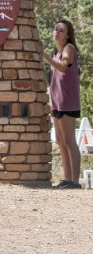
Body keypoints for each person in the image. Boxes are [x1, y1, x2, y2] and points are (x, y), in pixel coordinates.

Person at [42, 19, 82, 189]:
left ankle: (75, 181)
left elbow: (63, 67)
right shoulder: (56, 52)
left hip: (68, 102)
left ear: (67, 35)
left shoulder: (69, 49)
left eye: (61, 30)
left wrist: (43, 55)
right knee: (60, 140)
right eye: (55, 29)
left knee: (69, 141)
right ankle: (67, 178)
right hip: (57, 102)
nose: (56, 32)